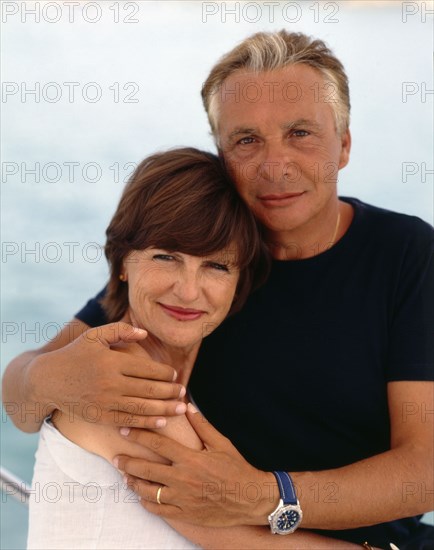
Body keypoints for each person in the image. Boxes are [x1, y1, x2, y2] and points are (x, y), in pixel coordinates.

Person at [3, 31, 433, 549]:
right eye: (247, 140)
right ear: (223, 155)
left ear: (343, 145)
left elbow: (424, 468)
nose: (275, 165)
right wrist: (48, 376)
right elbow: (21, 403)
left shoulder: (405, 253)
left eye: (301, 133)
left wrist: (268, 496)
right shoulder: (196, 265)